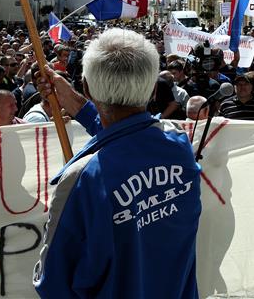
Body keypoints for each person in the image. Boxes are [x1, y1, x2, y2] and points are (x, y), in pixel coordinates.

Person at [32, 28, 201, 298]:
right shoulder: (180, 148)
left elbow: (52, 283)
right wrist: (73, 100)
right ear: (155, 89)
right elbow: (128, 131)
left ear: (87, 87)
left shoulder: (81, 180)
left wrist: (80, 100)